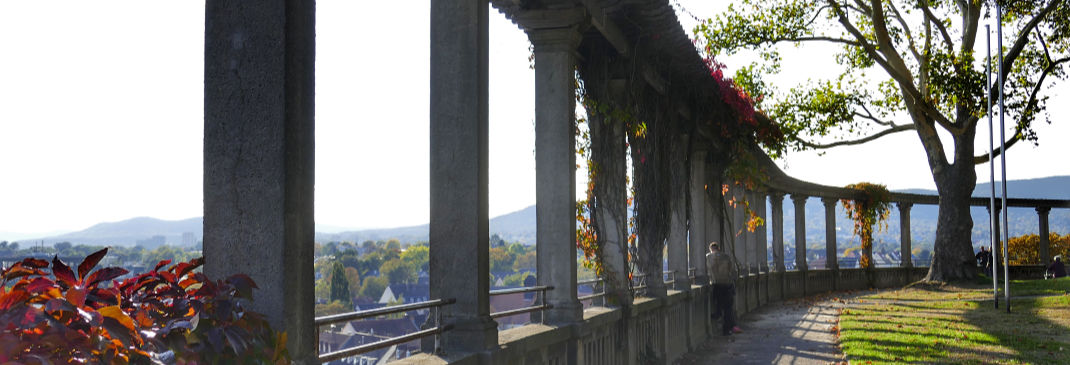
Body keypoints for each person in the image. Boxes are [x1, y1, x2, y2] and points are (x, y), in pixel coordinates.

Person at [706, 241, 742, 336]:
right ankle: (727, 329)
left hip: (717, 285)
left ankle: (717, 314)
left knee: (719, 303)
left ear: (711, 249)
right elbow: (732, 271)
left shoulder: (708, 257)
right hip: (727, 285)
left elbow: (707, 270)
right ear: (718, 248)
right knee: (728, 308)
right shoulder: (726, 257)